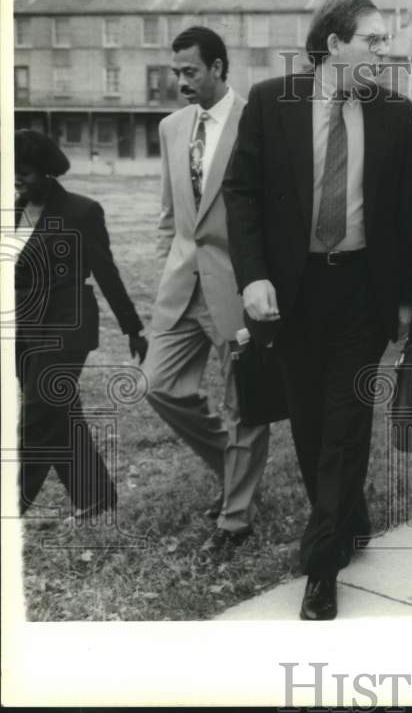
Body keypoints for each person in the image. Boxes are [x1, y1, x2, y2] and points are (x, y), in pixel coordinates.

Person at [223, 0, 412, 621]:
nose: (383, 51)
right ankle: (348, 517)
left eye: (385, 41)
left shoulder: (395, 112)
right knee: (309, 425)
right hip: (293, 292)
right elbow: (242, 194)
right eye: (372, 40)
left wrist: (405, 297)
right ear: (333, 45)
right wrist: (252, 277)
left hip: (362, 289)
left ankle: (322, 566)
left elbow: (407, 212)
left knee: (346, 423)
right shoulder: (269, 103)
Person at [143, 27, 270, 556]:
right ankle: (232, 466)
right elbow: (172, 215)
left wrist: (261, 288)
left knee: (246, 404)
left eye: (190, 71)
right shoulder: (172, 127)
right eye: (176, 72)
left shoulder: (257, 121)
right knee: (158, 384)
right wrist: (168, 264)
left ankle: (235, 519)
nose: (180, 82)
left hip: (237, 289)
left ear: (219, 67)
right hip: (182, 285)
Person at [14, 130, 147, 520]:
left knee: (38, 417)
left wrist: (132, 328)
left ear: (46, 171)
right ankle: (95, 496)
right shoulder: (11, 209)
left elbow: (107, 273)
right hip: (24, 330)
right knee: (60, 411)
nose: (16, 179)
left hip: (66, 329)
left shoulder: (81, 211)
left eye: (23, 172)